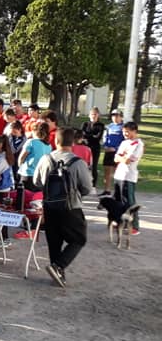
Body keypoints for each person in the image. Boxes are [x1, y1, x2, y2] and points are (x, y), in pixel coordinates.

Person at [34, 128, 92, 286]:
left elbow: (36, 182)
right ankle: (59, 266)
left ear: (56, 141)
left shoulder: (46, 159)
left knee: (54, 241)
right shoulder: (78, 162)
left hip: (49, 205)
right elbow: (87, 187)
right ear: (72, 143)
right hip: (70, 206)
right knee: (79, 238)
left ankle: (58, 273)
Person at [113, 121, 143, 235]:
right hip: (119, 174)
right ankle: (120, 222)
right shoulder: (124, 143)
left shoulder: (138, 144)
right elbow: (116, 158)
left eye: (127, 132)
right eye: (123, 132)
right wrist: (121, 158)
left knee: (130, 202)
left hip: (129, 176)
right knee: (118, 200)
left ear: (134, 131)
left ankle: (134, 225)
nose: (125, 134)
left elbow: (128, 160)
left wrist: (122, 157)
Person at [80, 108, 105, 187]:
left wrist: (87, 136)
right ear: (89, 115)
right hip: (85, 147)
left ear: (98, 115)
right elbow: (81, 134)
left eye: (95, 114)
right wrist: (90, 136)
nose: (93, 116)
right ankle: (82, 183)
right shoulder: (85, 124)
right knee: (83, 165)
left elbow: (97, 137)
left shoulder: (100, 125)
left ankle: (93, 185)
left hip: (95, 148)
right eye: (92, 114)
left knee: (93, 166)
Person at [101, 110, 124, 195]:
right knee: (107, 171)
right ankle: (107, 190)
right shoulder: (108, 126)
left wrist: (116, 148)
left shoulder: (123, 127)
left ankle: (118, 191)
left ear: (121, 116)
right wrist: (106, 146)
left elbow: (124, 140)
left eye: (117, 115)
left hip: (118, 153)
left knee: (117, 173)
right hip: (109, 152)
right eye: (113, 115)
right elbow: (105, 138)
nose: (115, 117)